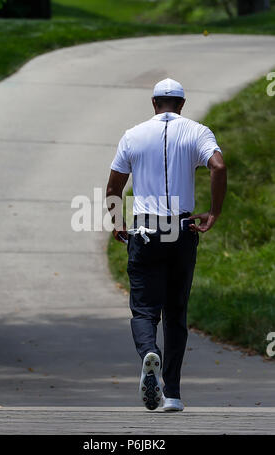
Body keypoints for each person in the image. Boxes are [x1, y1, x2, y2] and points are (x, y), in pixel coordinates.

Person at [106, 78, 227, 411]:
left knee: (145, 310)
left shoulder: (133, 135)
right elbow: (218, 166)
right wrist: (214, 212)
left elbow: (114, 185)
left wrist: (117, 223)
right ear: (182, 105)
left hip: (145, 231)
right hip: (183, 230)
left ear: (154, 103)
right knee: (176, 313)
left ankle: (149, 352)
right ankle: (172, 393)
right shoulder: (198, 131)